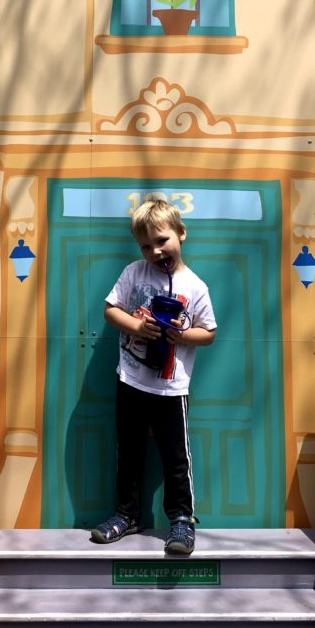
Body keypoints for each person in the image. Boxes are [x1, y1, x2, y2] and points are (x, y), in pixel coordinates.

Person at [90, 197, 216, 555]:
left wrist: (182, 335)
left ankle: (181, 518)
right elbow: (110, 310)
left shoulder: (195, 286)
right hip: (130, 380)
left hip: (171, 388)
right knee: (127, 451)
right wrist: (136, 325)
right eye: (146, 246)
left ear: (181, 234)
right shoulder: (133, 273)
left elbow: (208, 333)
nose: (155, 251)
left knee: (176, 456)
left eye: (162, 241)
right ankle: (126, 514)